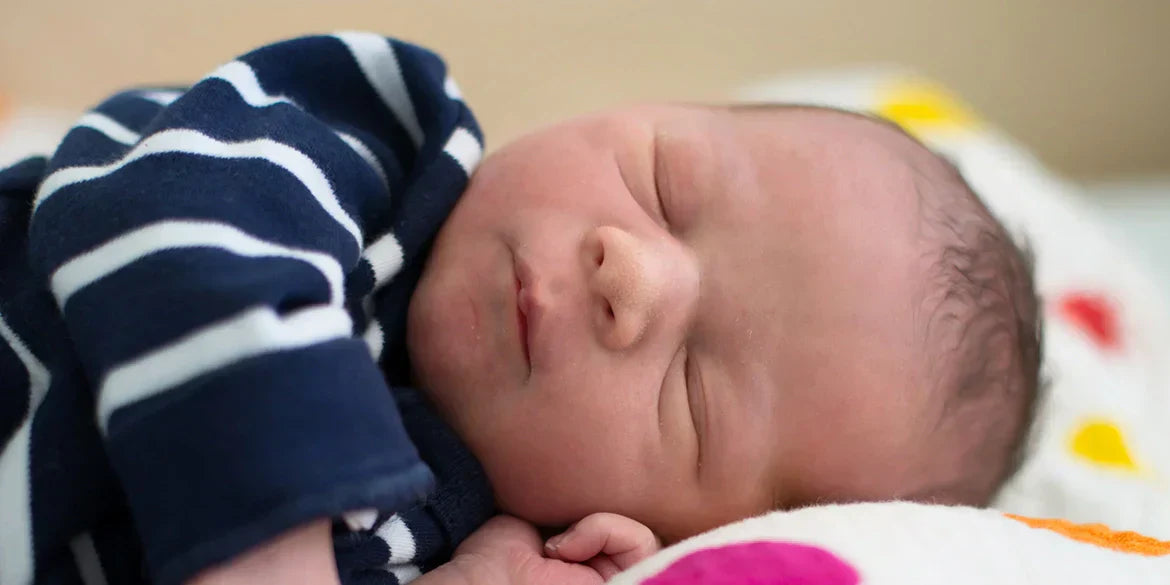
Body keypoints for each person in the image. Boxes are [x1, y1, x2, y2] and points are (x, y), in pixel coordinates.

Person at [0, 34, 1041, 585]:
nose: (629, 279)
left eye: (693, 392)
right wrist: (265, 546)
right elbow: (168, 225)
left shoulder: (442, 523)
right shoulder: (368, 139)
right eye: (666, 183)